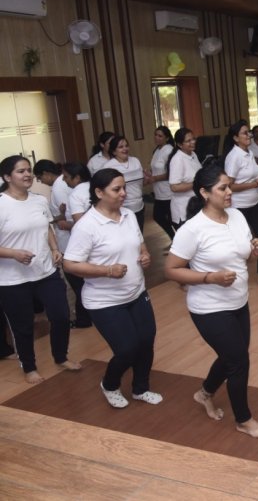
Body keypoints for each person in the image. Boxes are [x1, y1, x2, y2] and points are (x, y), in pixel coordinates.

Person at [164, 165, 258, 438]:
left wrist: (255, 250)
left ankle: (204, 394)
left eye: (229, 186)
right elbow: (171, 269)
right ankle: (244, 420)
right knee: (239, 361)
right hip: (209, 307)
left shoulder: (237, 216)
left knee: (231, 357)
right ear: (204, 193)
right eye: (222, 188)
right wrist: (209, 277)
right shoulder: (193, 229)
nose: (229, 192)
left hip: (239, 301)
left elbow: (244, 256)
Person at [63, 168, 161, 408]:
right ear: (98, 192)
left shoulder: (127, 215)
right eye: (116, 189)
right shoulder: (87, 225)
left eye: (124, 187)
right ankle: (109, 384)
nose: (123, 193)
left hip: (136, 293)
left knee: (146, 341)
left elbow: (139, 244)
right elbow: (70, 264)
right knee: (127, 349)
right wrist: (107, 271)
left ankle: (140, 388)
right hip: (105, 301)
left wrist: (145, 254)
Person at [0, 155, 80, 384]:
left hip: (46, 271)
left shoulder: (39, 200)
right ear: (7, 177)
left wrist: (55, 249)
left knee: (61, 316)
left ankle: (60, 356)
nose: (27, 175)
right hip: (12, 279)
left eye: (28, 170)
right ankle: (29, 367)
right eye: (20, 171)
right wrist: (13, 253)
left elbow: (46, 228)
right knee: (22, 325)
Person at [224, 120, 258, 286]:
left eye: (249, 132)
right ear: (235, 138)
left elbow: (253, 173)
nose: (249, 135)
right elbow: (229, 185)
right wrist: (253, 184)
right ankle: (235, 274)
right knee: (241, 242)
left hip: (255, 203)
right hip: (239, 207)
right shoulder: (234, 157)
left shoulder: (249, 153)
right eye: (244, 133)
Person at [61, 162, 92, 327]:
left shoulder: (75, 194)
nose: (64, 180)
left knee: (78, 283)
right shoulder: (95, 187)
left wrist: (67, 224)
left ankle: (84, 318)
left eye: (66, 177)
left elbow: (82, 225)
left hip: (82, 246)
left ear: (77, 177)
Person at [103, 134, 151, 232]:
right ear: (113, 151)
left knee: (139, 234)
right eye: (121, 147)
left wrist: (147, 178)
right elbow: (107, 189)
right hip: (122, 208)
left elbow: (141, 183)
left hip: (139, 205)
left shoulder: (135, 161)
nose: (125, 149)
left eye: (126, 146)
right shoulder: (109, 166)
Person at [168, 127, 201, 230]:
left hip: (195, 205)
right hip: (183, 209)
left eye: (193, 139)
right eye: (188, 141)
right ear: (179, 144)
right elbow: (174, 187)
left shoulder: (193, 154)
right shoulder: (178, 159)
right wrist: (196, 183)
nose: (193, 142)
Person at [150, 126, 176, 244]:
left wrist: (154, 178)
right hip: (158, 192)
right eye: (155, 135)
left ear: (167, 138)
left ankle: (179, 239)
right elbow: (155, 169)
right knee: (158, 217)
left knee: (171, 218)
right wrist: (148, 175)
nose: (156, 138)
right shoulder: (157, 150)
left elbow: (170, 173)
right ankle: (174, 238)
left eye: (160, 136)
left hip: (168, 192)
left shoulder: (169, 150)